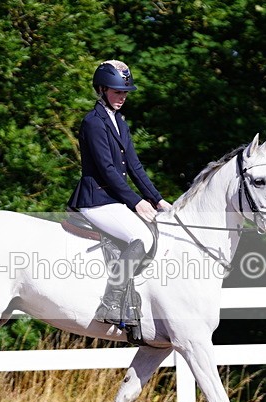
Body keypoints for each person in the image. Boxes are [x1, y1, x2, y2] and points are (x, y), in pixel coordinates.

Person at [68, 60, 172, 324]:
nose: (122, 97)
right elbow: (106, 169)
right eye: (117, 91)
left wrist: (158, 199)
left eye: (125, 92)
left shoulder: (119, 122)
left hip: (113, 200)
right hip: (96, 200)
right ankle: (112, 303)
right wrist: (136, 201)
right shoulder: (93, 122)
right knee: (141, 237)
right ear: (102, 89)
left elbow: (134, 166)